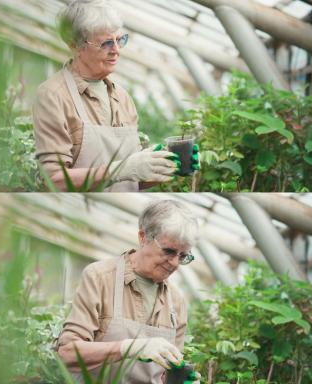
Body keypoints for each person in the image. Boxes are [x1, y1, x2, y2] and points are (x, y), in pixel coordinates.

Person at [32, 0, 197, 191]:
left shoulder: (122, 97)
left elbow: (131, 181)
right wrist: (120, 169)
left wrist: (167, 165)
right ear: (75, 46)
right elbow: (55, 180)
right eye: (106, 43)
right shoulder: (53, 96)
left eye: (120, 40)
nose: (116, 50)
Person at [57, 200, 200, 383]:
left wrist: (179, 379)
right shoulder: (100, 277)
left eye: (183, 256)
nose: (174, 263)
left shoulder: (176, 302)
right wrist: (128, 348)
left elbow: (167, 372)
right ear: (143, 237)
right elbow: (68, 354)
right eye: (168, 251)